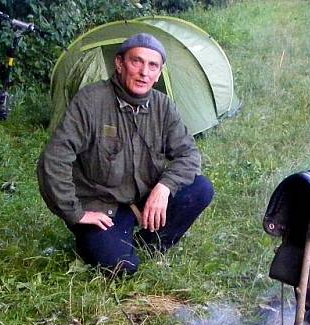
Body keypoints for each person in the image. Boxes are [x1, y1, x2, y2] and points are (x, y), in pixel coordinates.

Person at [37, 33, 214, 275]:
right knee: (121, 267)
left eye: (152, 66)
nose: (144, 72)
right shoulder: (90, 101)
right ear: (119, 64)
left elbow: (189, 155)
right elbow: (54, 158)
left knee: (201, 189)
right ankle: (107, 242)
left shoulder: (163, 106)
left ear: (159, 73)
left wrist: (164, 188)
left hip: (144, 196)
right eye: (136, 62)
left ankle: (149, 243)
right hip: (103, 205)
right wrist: (74, 213)